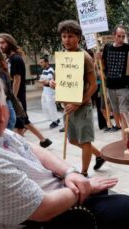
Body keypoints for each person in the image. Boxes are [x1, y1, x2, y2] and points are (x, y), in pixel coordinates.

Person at [0, 67, 129, 229]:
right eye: (5, 100)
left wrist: (69, 172)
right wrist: (85, 187)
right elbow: (43, 209)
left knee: (104, 191)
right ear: (1, 112)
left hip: (61, 190)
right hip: (51, 215)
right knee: (124, 206)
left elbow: (32, 148)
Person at [51, 20, 105, 176]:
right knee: (73, 140)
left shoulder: (85, 57)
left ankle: (84, 172)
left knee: (85, 140)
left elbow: (94, 85)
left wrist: (78, 102)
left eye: (70, 36)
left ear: (78, 38)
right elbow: (61, 79)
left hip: (82, 107)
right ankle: (100, 155)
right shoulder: (64, 56)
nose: (67, 40)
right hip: (68, 105)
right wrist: (54, 83)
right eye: (64, 36)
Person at [0, 33, 52, 148]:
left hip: (17, 95)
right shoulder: (9, 59)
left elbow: (17, 79)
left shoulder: (16, 59)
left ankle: (23, 147)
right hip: (15, 95)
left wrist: (14, 97)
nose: (0, 45)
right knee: (23, 120)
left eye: (3, 42)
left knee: (20, 123)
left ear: (9, 43)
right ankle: (43, 140)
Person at [101, 25, 129, 136]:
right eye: (119, 36)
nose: (121, 39)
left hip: (125, 87)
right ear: (114, 36)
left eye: (123, 36)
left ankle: (126, 139)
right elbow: (103, 63)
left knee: (125, 113)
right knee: (116, 112)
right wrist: (98, 59)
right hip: (110, 86)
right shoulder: (107, 47)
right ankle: (125, 135)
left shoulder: (128, 48)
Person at [39, 55, 60, 129]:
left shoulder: (50, 70)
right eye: (40, 62)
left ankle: (55, 121)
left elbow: (48, 82)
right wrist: (43, 81)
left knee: (51, 106)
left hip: (50, 91)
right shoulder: (44, 70)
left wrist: (44, 81)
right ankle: (55, 119)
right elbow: (42, 80)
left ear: (46, 62)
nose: (40, 64)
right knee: (45, 105)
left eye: (42, 62)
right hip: (45, 90)